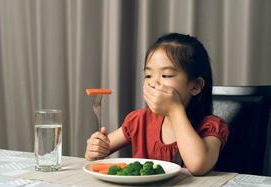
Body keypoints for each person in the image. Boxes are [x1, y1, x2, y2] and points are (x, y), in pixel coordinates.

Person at [85, 33, 229, 175]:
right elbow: (99, 152)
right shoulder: (139, 120)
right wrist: (95, 149)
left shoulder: (211, 126)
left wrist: (175, 110)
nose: (153, 83)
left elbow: (198, 165)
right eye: (148, 75)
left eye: (166, 75)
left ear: (195, 85)